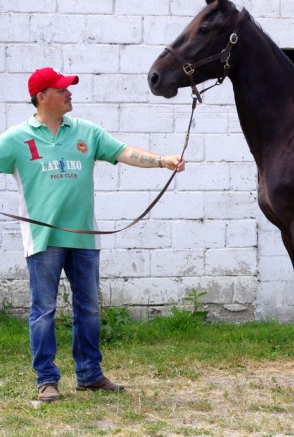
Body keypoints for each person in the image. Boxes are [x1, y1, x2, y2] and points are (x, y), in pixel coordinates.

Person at [0, 67, 186, 402]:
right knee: (43, 310)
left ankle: (89, 374)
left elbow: (124, 152)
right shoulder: (16, 139)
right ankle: (46, 380)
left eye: (69, 88)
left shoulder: (86, 131)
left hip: (85, 237)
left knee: (88, 309)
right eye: (62, 90)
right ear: (42, 98)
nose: (70, 93)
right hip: (43, 240)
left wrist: (162, 160)